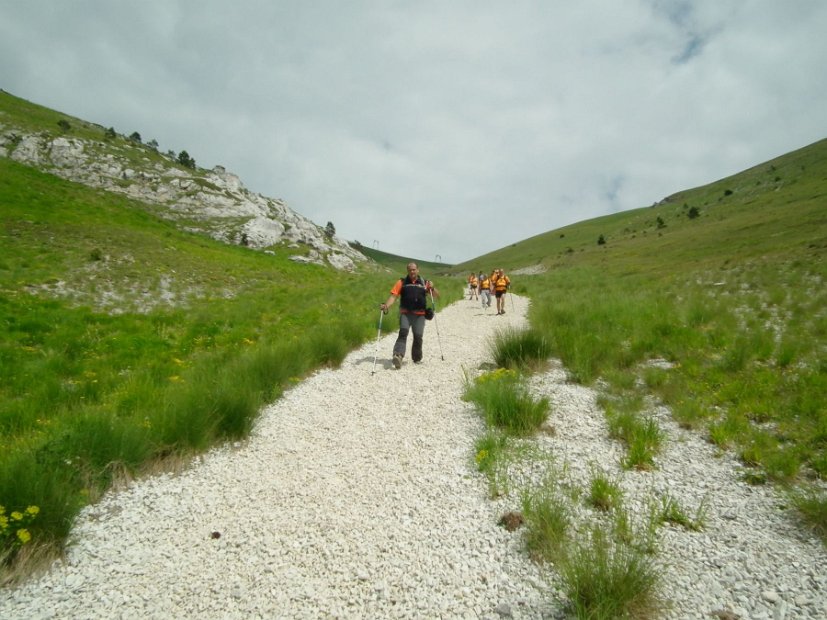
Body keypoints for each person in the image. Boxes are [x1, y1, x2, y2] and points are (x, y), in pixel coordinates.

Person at [380, 262, 439, 369]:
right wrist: (386, 306)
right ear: (407, 271)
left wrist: (433, 288)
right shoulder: (401, 282)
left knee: (418, 336)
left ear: (418, 270)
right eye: (410, 270)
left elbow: (436, 296)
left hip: (420, 315)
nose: (412, 271)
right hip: (405, 314)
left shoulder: (424, 283)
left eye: (414, 269)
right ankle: (398, 355)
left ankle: (416, 357)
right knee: (403, 333)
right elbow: (393, 297)